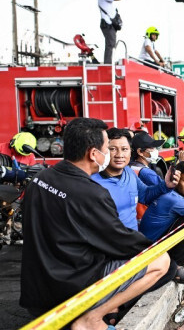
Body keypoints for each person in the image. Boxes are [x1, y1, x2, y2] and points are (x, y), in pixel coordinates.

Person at [20, 118, 171, 328]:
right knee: (162, 262)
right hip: (70, 288)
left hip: (35, 287)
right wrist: (155, 248)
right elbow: (121, 241)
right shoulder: (92, 193)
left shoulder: (41, 178)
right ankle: (91, 319)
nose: (113, 154)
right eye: (107, 148)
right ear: (93, 154)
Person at [91, 128, 178, 231]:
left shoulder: (129, 172)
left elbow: (145, 195)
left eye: (124, 149)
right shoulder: (92, 182)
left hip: (133, 242)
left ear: (130, 152)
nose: (119, 155)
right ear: (104, 151)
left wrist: (165, 185)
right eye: (112, 149)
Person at [98, 0, 121, 64]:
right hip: (107, 25)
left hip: (109, 25)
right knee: (110, 45)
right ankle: (108, 65)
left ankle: (109, 63)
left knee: (111, 44)